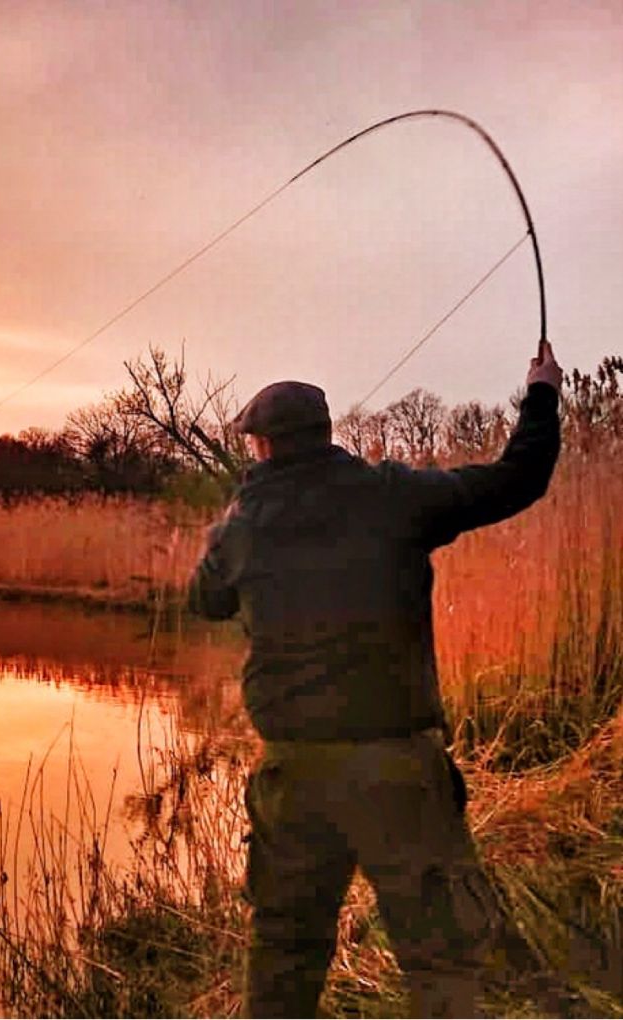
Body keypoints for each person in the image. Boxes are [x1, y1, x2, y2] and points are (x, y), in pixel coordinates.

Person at [187, 340, 565, 1017]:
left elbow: (204, 601)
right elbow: (521, 477)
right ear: (324, 435)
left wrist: (232, 523)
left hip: (294, 775)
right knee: (440, 954)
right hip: (398, 771)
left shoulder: (241, 528)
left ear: (264, 448)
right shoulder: (392, 497)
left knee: (284, 948)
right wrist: (541, 391)